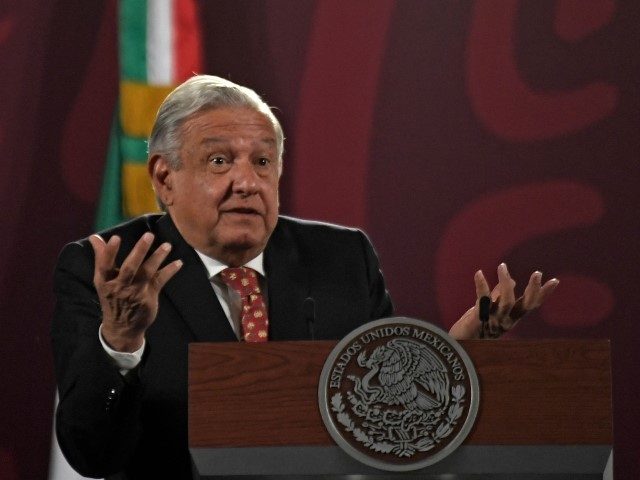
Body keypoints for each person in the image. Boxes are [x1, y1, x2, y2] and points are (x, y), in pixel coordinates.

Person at [51, 75, 558, 479]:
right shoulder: (109, 271)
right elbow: (91, 454)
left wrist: (454, 353)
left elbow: (380, 414)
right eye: (220, 160)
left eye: (263, 161)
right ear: (165, 177)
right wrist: (120, 340)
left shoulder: (341, 257)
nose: (247, 182)